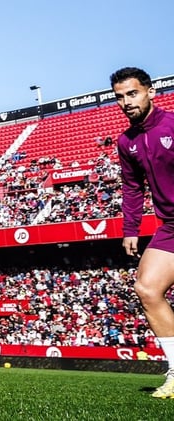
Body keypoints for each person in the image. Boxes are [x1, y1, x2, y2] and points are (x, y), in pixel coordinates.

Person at [112, 66, 174, 398]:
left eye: (132, 93)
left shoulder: (172, 125)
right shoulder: (127, 142)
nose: (126, 102)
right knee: (147, 288)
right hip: (171, 228)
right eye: (120, 97)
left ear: (150, 91)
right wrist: (130, 229)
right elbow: (133, 189)